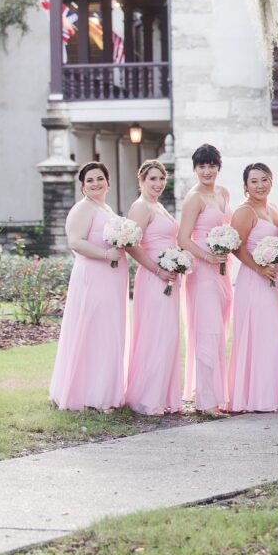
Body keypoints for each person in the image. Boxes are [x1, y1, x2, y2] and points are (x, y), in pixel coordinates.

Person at [49, 162, 128, 411]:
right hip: (93, 276)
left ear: (109, 182)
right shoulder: (82, 208)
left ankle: (105, 390)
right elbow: (75, 242)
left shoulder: (105, 208)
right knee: (95, 330)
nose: (96, 183)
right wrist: (107, 256)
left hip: (111, 279)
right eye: (90, 180)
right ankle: (90, 395)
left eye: (100, 178)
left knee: (108, 331)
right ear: (82, 186)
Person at [228, 163, 278, 412]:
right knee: (261, 334)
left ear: (271, 181)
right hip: (254, 278)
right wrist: (259, 268)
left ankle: (270, 394)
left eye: (264, 179)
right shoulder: (244, 211)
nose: (260, 185)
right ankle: (256, 397)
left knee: (270, 335)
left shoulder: (273, 210)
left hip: (273, 278)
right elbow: (237, 247)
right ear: (245, 186)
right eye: (254, 181)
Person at [124, 160, 183, 415]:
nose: (158, 184)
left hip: (169, 277)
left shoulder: (157, 206)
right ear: (141, 181)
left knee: (168, 336)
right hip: (153, 277)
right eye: (152, 179)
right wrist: (158, 269)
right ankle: (148, 398)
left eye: (161, 179)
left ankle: (163, 395)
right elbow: (132, 245)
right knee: (155, 334)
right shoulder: (140, 207)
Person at [177, 144, 232, 414]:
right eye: (202, 166)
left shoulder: (224, 193)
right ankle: (206, 401)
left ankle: (216, 394)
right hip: (202, 272)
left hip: (223, 270)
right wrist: (209, 258)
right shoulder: (194, 198)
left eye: (211, 165)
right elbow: (183, 238)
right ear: (195, 169)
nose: (207, 171)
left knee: (220, 331)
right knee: (207, 331)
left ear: (218, 167)